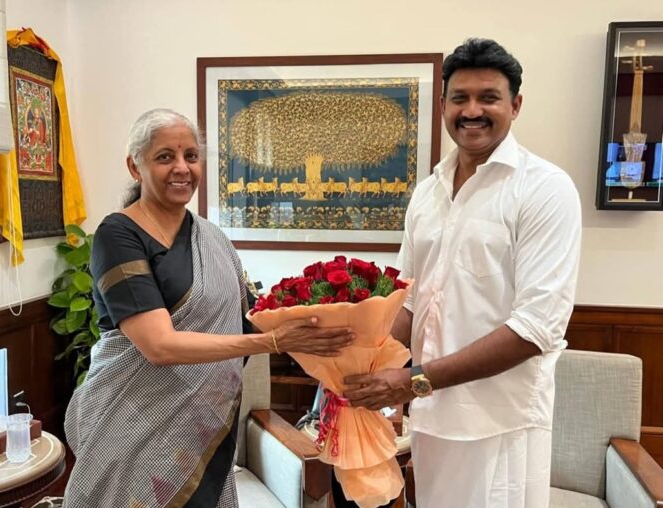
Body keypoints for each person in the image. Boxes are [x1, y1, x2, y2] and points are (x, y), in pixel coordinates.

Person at [63, 108, 353, 507]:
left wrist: (332, 319)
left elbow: (251, 320)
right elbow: (159, 346)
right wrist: (273, 342)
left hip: (201, 428)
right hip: (131, 427)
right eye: (165, 157)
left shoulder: (213, 239)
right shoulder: (117, 235)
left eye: (191, 156)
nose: (182, 168)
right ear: (135, 166)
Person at [343, 39, 581, 508]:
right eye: (460, 98)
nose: (472, 110)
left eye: (488, 97)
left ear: (515, 105)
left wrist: (410, 381)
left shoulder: (544, 189)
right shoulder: (428, 193)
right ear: (443, 106)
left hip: (499, 422)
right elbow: (409, 301)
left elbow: (536, 328)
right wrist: (360, 367)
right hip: (431, 419)